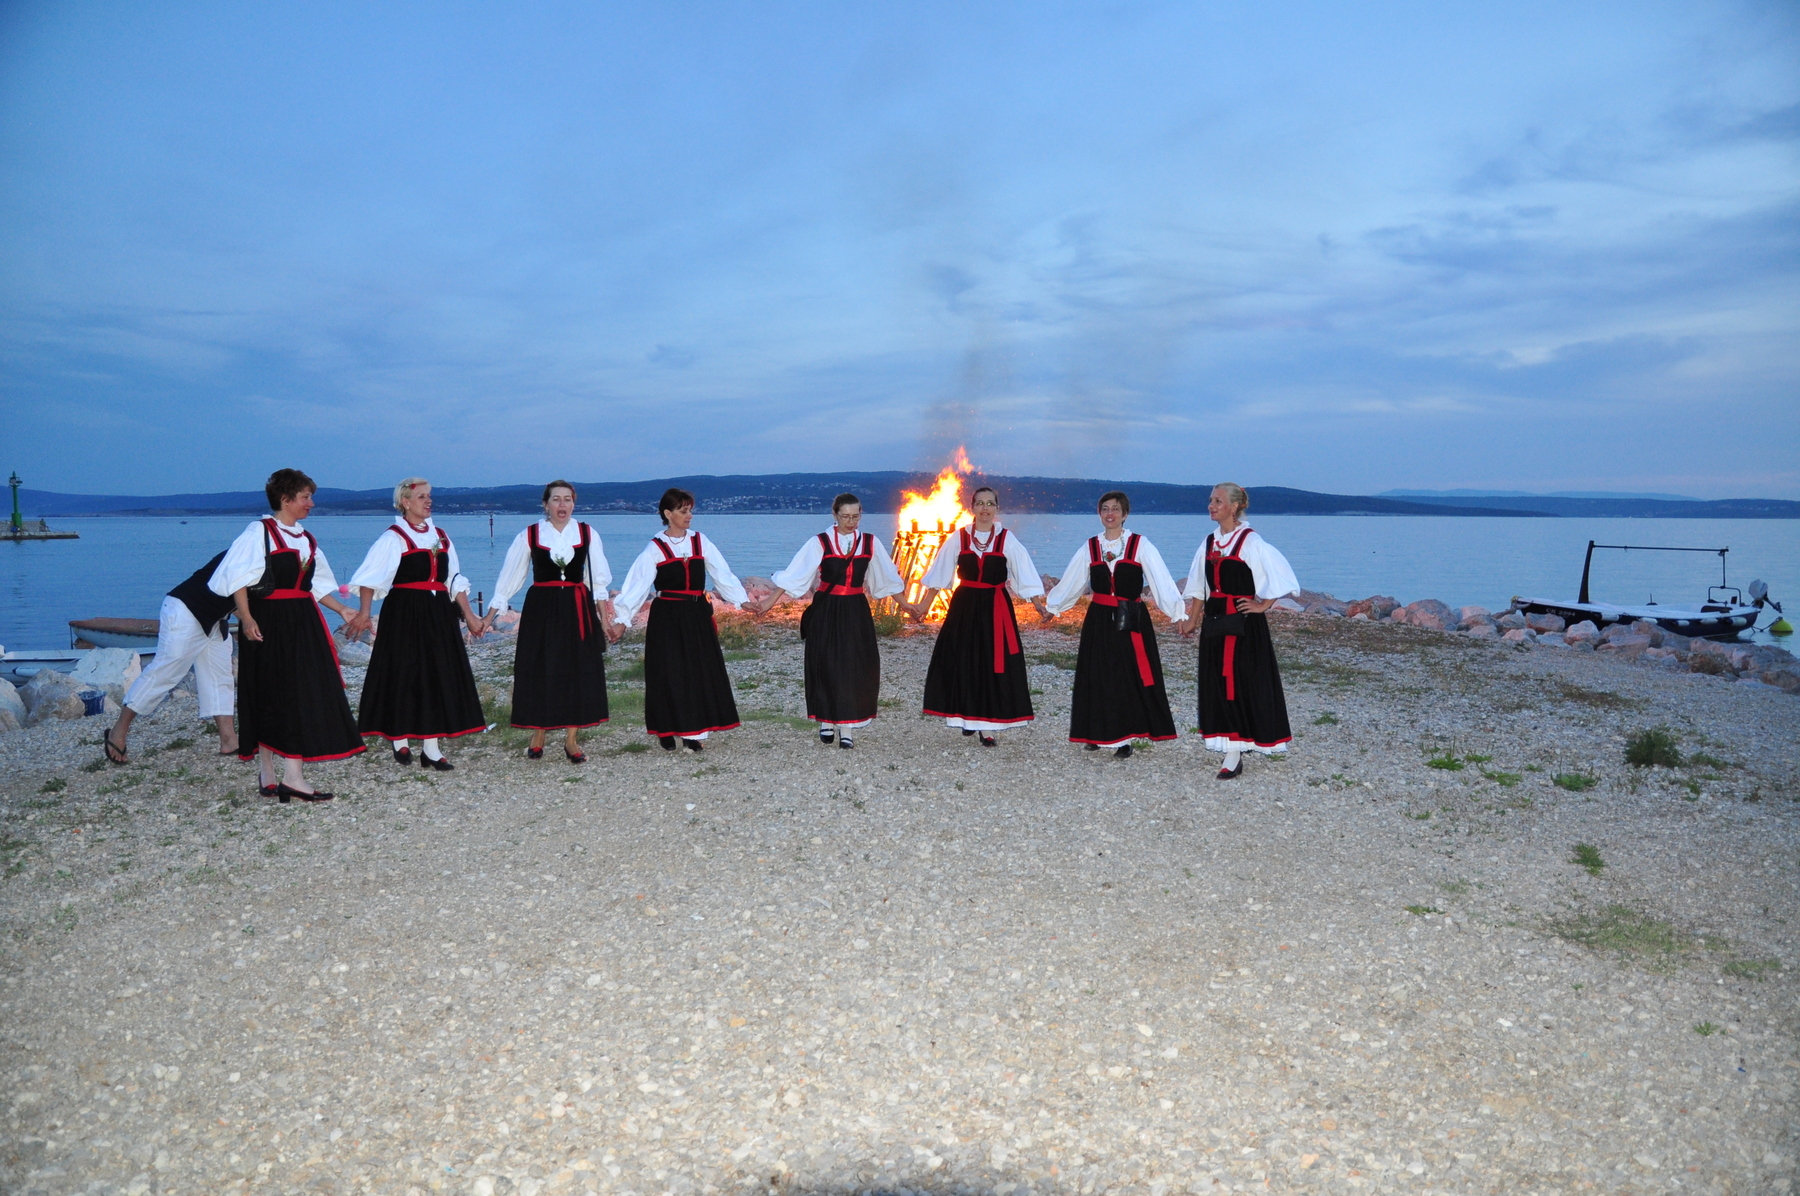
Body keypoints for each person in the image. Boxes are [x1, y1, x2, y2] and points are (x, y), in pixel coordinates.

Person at [209, 468, 364, 801]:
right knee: (269, 692)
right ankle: (271, 771)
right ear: (286, 499)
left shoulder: (306, 539)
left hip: (302, 621)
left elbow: (315, 585)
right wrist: (246, 618)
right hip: (268, 621)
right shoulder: (259, 532)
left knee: (296, 692)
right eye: (305, 497)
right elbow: (235, 578)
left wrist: (342, 610)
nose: (311, 503)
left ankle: (290, 776)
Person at [343, 477, 488, 769]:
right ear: (405, 502)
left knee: (436, 673)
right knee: (404, 672)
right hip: (404, 612)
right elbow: (370, 578)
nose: (428, 501)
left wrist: (470, 616)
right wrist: (365, 613)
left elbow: (454, 579)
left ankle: (431, 748)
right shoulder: (393, 537)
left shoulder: (441, 536)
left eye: (429, 496)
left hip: (438, 612)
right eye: (421, 496)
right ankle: (400, 737)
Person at [749, 492, 904, 748]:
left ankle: (847, 728)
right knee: (825, 663)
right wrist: (768, 602)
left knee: (854, 666)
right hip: (826, 608)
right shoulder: (819, 542)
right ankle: (826, 720)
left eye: (855, 517)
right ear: (835, 515)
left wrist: (908, 606)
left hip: (855, 609)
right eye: (845, 517)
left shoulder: (870, 542)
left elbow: (887, 578)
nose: (850, 522)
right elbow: (795, 575)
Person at [1040, 491, 1181, 757]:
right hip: (1100, 619)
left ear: (1125, 514)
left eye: (1115, 508)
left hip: (1131, 619)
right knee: (1097, 674)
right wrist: (1053, 607)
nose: (1110, 513)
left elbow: (1161, 579)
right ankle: (1096, 732)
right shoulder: (1091, 546)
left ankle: (1124, 737)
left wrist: (1178, 612)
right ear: (1099, 514)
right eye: (1105, 509)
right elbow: (1073, 580)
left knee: (1125, 675)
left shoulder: (1140, 545)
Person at [1174, 483, 1299, 779]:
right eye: (1210, 500)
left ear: (1234, 506)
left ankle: (1236, 748)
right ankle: (1228, 742)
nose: (1211, 505)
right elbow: (1199, 586)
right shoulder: (1209, 542)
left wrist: (1262, 604)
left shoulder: (1250, 541)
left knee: (1241, 681)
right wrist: (1192, 619)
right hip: (1216, 621)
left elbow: (1280, 575)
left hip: (1243, 625)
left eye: (1218, 501)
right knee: (1217, 681)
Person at [909, 486, 1048, 746]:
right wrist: (924, 606)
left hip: (996, 609)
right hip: (965, 608)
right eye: (980, 503)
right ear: (972, 507)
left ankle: (986, 726)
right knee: (964, 661)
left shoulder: (1006, 539)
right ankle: (967, 716)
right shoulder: (959, 537)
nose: (985, 508)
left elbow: (1024, 572)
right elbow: (940, 573)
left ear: (997, 508)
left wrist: (1039, 605)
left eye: (990, 503)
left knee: (991, 663)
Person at [489, 480, 614, 762]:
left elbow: (597, 581)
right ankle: (539, 732)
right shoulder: (530, 534)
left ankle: (571, 739)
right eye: (556, 499)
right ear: (546, 504)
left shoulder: (587, 533)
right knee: (540, 666)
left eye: (567, 499)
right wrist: (489, 616)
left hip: (577, 608)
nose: (562, 505)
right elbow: (510, 578)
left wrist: (604, 620)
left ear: (574, 504)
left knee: (577, 669)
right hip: (542, 609)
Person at [611, 488, 745, 751]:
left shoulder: (700, 541)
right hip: (667, 617)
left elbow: (722, 573)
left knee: (696, 672)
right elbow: (637, 586)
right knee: (668, 672)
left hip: (696, 615)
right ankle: (665, 727)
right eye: (683, 511)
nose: (689, 516)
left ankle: (692, 732)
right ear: (668, 514)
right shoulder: (655, 548)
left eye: (690, 510)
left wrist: (742, 600)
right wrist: (622, 619)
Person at [104, 550, 240, 763]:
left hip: (214, 619)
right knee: (165, 672)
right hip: (187, 611)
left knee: (220, 675)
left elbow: (239, 600)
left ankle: (229, 740)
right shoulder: (250, 551)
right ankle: (117, 731)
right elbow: (238, 591)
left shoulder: (272, 556)